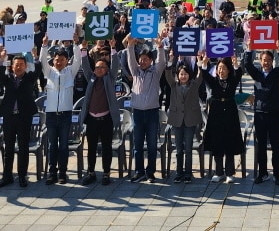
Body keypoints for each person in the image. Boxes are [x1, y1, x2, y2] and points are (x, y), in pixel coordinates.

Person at [39, 41, 82, 184]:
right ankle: (52, 173)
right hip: (51, 115)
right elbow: (42, 61)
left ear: (66, 61)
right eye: (56, 60)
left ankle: (62, 173)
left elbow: (78, 59)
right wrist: (44, 46)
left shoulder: (70, 71)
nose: (59, 62)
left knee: (63, 145)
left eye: (62, 60)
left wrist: (76, 44)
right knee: (52, 146)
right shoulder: (49, 72)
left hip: (65, 114)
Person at [78, 45, 121, 186]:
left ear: (107, 70)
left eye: (102, 67)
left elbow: (115, 65)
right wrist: (83, 50)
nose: (99, 70)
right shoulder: (91, 78)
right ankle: (91, 172)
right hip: (92, 119)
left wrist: (113, 47)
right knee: (91, 148)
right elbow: (85, 67)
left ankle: (106, 173)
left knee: (106, 147)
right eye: (97, 68)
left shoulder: (110, 78)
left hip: (106, 119)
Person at [0, 53, 39, 187]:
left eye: (21, 64)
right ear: (12, 66)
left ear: (26, 66)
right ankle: (7, 176)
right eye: (16, 64)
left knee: (23, 147)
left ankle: (22, 176)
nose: (19, 67)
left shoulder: (30, 78)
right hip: (9, 116)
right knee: (8, 147)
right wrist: (2, 59)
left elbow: (38, 69)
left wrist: (36, 57)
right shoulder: (7, 78)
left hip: (24, 117)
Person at [126, 35, 167, 182]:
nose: (142, 61)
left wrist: (160, 47)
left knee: (151, 144)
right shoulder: (135, 72)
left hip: (152, 113)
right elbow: (130, 60)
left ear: (151, 61)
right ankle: (139, 171)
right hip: (137, 112)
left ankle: (150, 172)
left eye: (145, 59)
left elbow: (162, 62)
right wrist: (130, 46)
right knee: (137, 145)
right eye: (141, 59)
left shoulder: (155, 72)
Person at [244, 48, 279, 185]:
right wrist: (249, 50)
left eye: (269, 60)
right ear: (260, 61)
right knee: (261, 146)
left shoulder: (276, 73)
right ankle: (263, 173)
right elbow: (247, 64)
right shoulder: (257, 74)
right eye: (264, 60)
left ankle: (277, 174)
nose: (266, 63)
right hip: (260, 114)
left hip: (274, 114)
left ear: (272, 61)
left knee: (275, 146)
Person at [200, 56, 245, 183]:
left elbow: (239, 74)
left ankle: (230, 172)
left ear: (228, 70)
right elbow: (204, 74)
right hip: (216, 112)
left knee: (229, 142)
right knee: (217, 142)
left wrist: (236, 64)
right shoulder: (214, 81)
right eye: (219, 68)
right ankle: (218, 172)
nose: (221, 71)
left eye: (224, 68)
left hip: (230, 112)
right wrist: (204, 63)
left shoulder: (232, 80)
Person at [164, 61, 204, 182]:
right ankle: (178, 172)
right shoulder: (174, 85)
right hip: (177, 120)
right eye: (181, 74)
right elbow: (167, 75)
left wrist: (200, 65)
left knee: (188, 148)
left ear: (189, 75)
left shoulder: (194, 84)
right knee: (179, 149)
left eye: (185, 74)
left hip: (190, 120)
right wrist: (170, 61)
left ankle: (188, 173)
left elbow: (200, 77)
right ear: (178, 75)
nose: (183, 76)